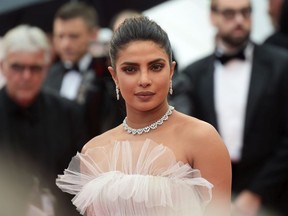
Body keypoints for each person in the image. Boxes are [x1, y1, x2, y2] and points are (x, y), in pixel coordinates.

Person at [56, 16, 231, 216]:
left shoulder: (202, 139)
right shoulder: (93, 152)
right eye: (130, 69)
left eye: (156, 67)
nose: (144, 80)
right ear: (114, 76)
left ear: (171, 71)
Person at [172, 0, 288, 215]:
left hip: (275, 194)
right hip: (213, 195)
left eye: (245, 12)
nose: (239, 21)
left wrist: (257, 192)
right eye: (229, 14)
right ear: (212, 17)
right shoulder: (193, 74)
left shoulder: (281, 65)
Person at [0, 25, 87, 216]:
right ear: (2, 66)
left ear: (47, 68)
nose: (26, 76)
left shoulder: (69, 113)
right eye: (17, 67)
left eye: (35, 68)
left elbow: (81, 182)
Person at [44, 1, 122, 138]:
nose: (66, 44)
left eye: (73, 36)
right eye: (60, 36)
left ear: (94, 34)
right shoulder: (49, 75)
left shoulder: (108, 73)